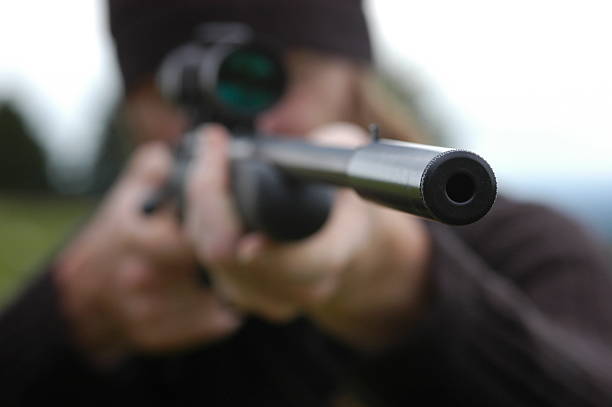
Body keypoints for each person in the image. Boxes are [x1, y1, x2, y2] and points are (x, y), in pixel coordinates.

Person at [2, 1, 612, 405]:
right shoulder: (116, 268)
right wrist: (69, 319)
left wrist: (404, 292)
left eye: (276, 74)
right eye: (184, 89)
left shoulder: (527, 249)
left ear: (350, 75)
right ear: (136, 107)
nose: (253, 118)